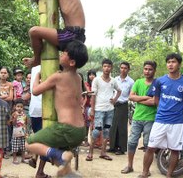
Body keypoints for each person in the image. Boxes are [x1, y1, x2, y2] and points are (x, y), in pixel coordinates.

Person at [26, 40, 88, 176]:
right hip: (80, 130)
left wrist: (37, 75)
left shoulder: (58, 77)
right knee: (59, 162)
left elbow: (35, 90)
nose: (60, 54)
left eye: (64, 53)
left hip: (66, 129)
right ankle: (69, 172)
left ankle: (60, 156)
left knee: (30, 143)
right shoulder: (78, 77)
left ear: (71, 62)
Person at [139, 53, 183, 178]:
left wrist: (179, 109)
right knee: (151, 147)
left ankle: (169, 175)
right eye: (168, 62)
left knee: (175, 150)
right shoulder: (159, 81)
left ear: (179, 64)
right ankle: (144, 173)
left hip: (177, 122)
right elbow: (155, 99)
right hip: (160, 120)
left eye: (173, 62)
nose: (170, 64)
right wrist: (163, 109)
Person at [23, 0, 86, 68]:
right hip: (72, 34)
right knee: (62, 67)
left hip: (73, 34)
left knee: (34, 31)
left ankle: (37, 59)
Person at [121, 61, 157, 174]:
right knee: (131, 142)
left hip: (151, 119)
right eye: (145, 69)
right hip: (137, 118)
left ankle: (146, 170)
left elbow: (155, 102)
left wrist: (139, 99)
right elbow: (131, 97)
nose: (147, 71)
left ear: (154, 70)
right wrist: (147, 97)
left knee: (148, 145)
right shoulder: (138, 82)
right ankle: (130, 166)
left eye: (150, 69)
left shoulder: (157, 84)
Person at [87, 58, 122, 162]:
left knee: (106, 131)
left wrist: (114, 100)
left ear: (111, 68)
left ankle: (103, 153)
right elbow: (93, 95)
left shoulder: (113, 81)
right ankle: (90, 153)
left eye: (109, 66)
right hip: (99, 109)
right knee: (96, 131)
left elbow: (119, 91)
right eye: (105, 66)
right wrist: (92, 109)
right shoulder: (96, 80)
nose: (107, 68)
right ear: (102, 67)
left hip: (110, 109)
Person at [108, 62, 134, 155]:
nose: (123, 70)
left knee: (122, 127)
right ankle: (112, 146)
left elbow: (131, 95)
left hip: (123, 105)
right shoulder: (115, 79)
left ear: (128, 69)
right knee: (113, 126)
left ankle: (121, 148)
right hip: (113, 104)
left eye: (125, 68)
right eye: (122, 67)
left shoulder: (131, 82)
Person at [0, 66, 13, 158]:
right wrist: (5, 96)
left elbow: (11, 98)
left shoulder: (10, 84)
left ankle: (7, 149)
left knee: (7, 129)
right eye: (1, 72)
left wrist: (0, 97)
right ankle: (0, 150)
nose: (3, 74)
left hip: (7, 110)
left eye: (5, 73)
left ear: (8, 74)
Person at [10, 98, 28, 164]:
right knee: (15, 146)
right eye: (18, 106)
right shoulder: (14, 114)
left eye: (21, 107)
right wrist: (15, 117)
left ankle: (23, 159)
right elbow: (13, 124)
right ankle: (14, 159)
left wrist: (26, 131)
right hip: (16, 132)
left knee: (23, 146)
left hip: (23, 131)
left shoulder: (24, 114)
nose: (19, 108)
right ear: (15, 107)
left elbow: (26, 123)